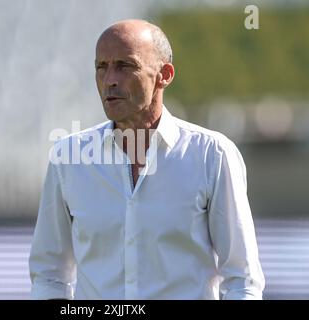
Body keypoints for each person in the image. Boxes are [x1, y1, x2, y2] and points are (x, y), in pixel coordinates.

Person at [29, 19, 265, 300]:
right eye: (101, 67)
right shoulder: (68, 159)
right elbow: (49, 274)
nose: (109, 80)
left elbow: (242, 280)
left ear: (164, 74)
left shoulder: (211, 156)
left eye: (125, 66)